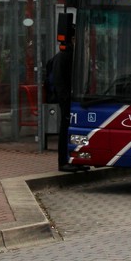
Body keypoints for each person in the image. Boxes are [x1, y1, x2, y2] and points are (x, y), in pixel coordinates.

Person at [52, 43, 77, 171]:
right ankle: (64, 161)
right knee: (66, 127)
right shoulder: (65, 56)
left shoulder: (69, 55)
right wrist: (65, 98)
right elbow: (60, 80)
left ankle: (72, 159)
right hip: (67, 99)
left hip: (68, 98)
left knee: (69, 127)